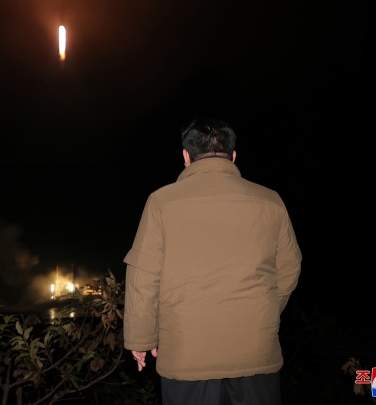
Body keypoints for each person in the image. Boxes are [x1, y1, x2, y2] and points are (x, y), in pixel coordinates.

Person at [123, 119, 302, 405]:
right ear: (233, 156)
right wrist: (263, 309)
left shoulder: (161, 201)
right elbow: (290, 268)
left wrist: (141, 340)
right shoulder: (271, 201)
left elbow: (143, 277)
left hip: (186, 354)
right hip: (255, 350)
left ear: (186, 156)